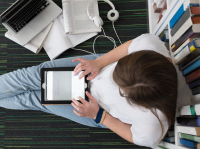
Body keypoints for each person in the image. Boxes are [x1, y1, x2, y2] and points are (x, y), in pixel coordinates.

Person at [0, 34, 178, 148]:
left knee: (36, 99)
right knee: (31, 76)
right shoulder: (150, 45)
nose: (114, 83)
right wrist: (100, 63)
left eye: (121, 90)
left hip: (98, 110)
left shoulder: (153, 126)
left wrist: (101, 116)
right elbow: (129, 46)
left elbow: (133, 135)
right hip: (96, 68)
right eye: (117, 74)